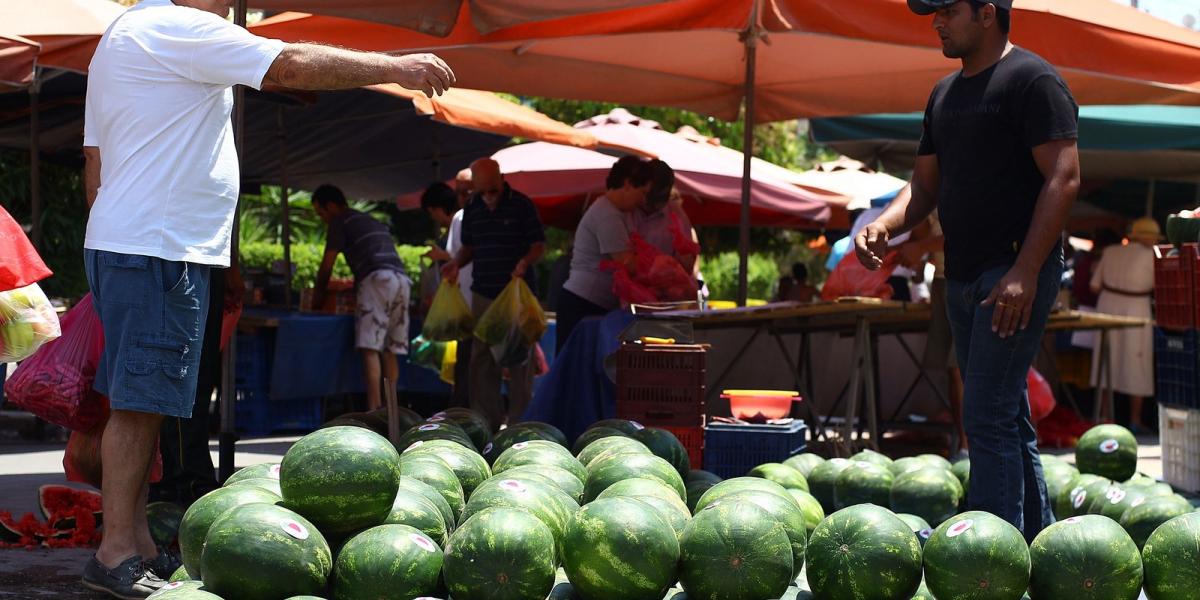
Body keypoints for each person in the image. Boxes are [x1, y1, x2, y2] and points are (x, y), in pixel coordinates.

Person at [82, 0, 453, 594]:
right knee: (138, 404)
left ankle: (137, 544)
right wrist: (396, 67)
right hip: (156, 246)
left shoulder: (120, 37)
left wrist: (110, 240)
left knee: (143, 399)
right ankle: (114, 553)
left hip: (136, 242)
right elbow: (289, 65)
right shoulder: (183, 27)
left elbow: (93, 164)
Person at [856, 0, 1080, 540]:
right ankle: (1034, 541)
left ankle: (989, 552)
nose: (936, 21)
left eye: (947, 10)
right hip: (960, 275)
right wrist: (886, 225)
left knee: (984, 413)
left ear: (987, 12)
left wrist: (1025, 271)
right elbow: (925, 185)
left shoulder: (1033, 79)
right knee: (1003, 412)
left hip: (1013, 272)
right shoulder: (944, 94)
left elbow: (1065, 178)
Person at [442, 158, 545, 430]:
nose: (488, 196)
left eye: (493, 190)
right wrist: (455, 263)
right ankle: (486, 421)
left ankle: (521, 423)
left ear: (501, 180)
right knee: (482, 358)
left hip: (517, 294)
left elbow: (538, 245)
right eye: (482, 191)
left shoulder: (521, 204)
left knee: (519, 356)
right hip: (483, 292)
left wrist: (525, 262)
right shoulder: (472, 208)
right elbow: (469, 248)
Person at [312, 185, 411, 414]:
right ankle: (391, 410)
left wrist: (317, 298)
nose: (322, 219)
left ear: (332, 206)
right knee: (390, 348)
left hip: (377, 279)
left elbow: (327, 265)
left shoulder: (340, 221)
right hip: (401, 279)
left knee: (370, 347)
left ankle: (374, 410)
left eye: (321, 213)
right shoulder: (368, 220)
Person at [149, 265, 241, 507]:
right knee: (185, 381)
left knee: (192, 383)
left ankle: (180, 480)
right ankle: (186, 482)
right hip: (185, 266)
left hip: (202, 267)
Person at [557, 156, 656, 350]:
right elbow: (626, 263)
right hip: (583, 304)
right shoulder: (607, 215)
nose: (643, 200)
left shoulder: (620, 213)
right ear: (628, 184)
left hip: (594, 304)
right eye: (642, 193)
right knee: (577, 370)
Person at [1090, 217, 1159, 433]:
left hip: (1107, 305)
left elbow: (1094, 286)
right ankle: (1135, 419)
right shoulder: (1152, 255)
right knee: (1137, 363)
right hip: (1137, 308)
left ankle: (1103, 416)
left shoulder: (1110, 251)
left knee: (1106, 359)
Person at [445, 168, 474, 408]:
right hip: (465, 300)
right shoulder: (460, 218)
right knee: (465, 358)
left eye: (468, 191)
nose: (464, 196)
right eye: (460, 192)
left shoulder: (475, 216)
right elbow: (455, 256)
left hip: (485, 297)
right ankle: (462, 407)